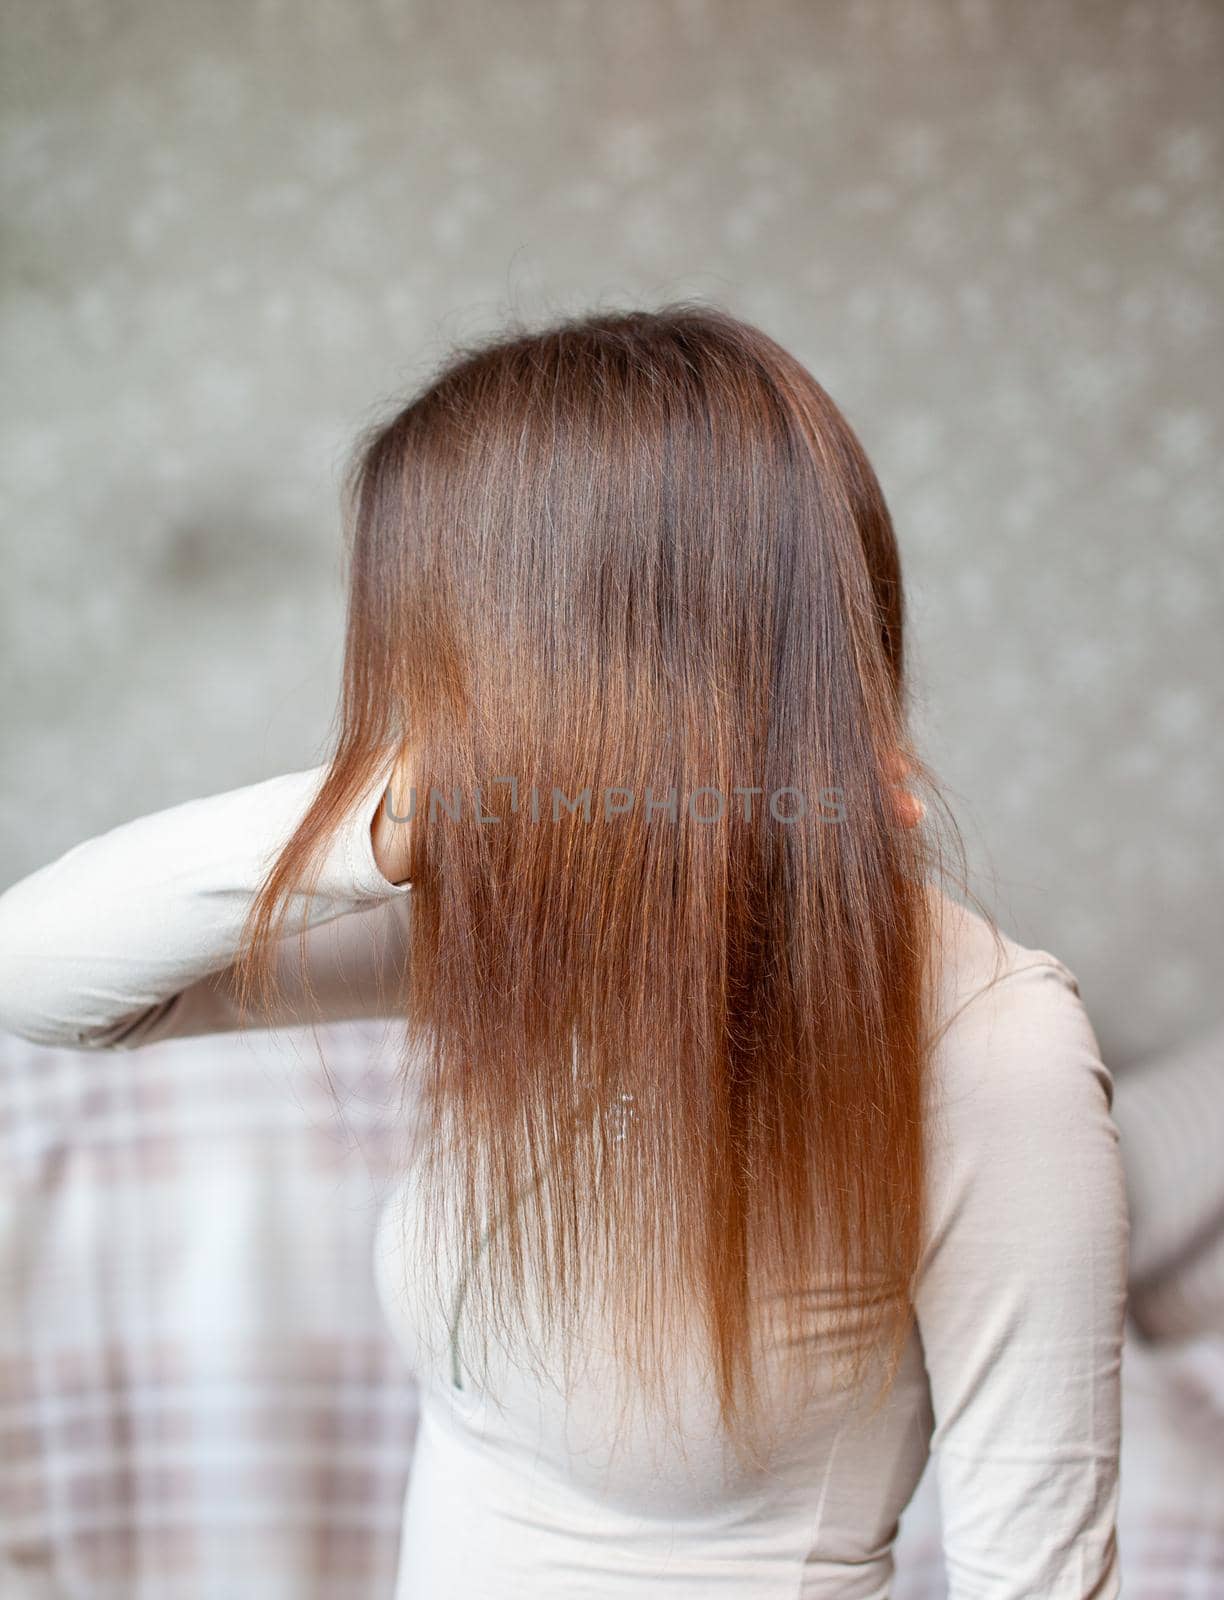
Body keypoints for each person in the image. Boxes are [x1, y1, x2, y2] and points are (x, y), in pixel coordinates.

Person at [0, 303, 1129, 1598]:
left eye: (452, 648)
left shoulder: (988, 1038)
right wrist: (399, 802)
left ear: (588, 659)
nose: (432, 688)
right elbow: (37, 976)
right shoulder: (516, 924)